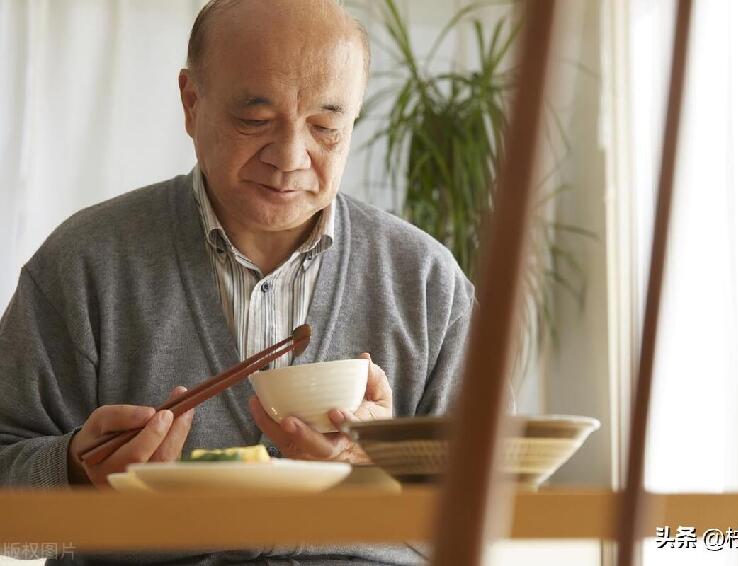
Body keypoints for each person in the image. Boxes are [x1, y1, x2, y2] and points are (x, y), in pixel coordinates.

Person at [0, 0, 473, 564]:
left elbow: (493, 516)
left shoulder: (425, 280)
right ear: (191, 103)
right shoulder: (85, 263)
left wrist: (384, 472)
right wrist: (77, 471)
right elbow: (12, 526)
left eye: (325, 126)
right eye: (255, 120)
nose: (290, 157)